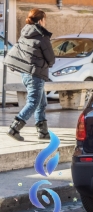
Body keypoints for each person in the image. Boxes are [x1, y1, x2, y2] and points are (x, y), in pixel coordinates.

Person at [4, 8, 55, 141]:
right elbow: (51, 58)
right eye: (45, 19)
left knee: (41, 102)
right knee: (33, 102)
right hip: (36, 74)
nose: (46, 22)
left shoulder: (25, 33)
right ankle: (15, 128)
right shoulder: (42, 37)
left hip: (26, 73)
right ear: (41, 20)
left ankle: (43, 132)